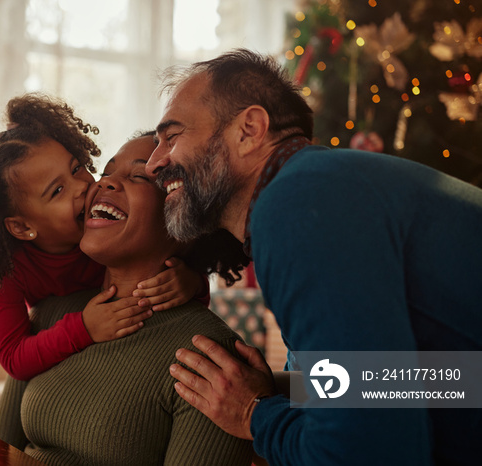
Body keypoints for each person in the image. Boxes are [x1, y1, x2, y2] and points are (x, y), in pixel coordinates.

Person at [145, 48, 482, 465]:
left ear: (249, 129)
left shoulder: (299, 203)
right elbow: (433, 381)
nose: (153, 164)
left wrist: (254, 414)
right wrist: (272, 391)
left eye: (172, 136)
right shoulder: (318, 186)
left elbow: (369, 450)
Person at [0, 132, 253, 465]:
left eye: (139, 177)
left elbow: (334, 394)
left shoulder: (210, 361)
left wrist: (195, 282)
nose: (101, 184)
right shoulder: (51, 313)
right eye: (106, 172)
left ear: (184, 221)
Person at [0, 94, 204, 381]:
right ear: (22, 227)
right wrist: (83, 327)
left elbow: (171, 260)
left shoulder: (113, 234)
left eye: (76, 169)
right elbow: (12, 357)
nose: (82, 187)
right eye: (57, 191)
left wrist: (191, 282)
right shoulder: (7, 270)